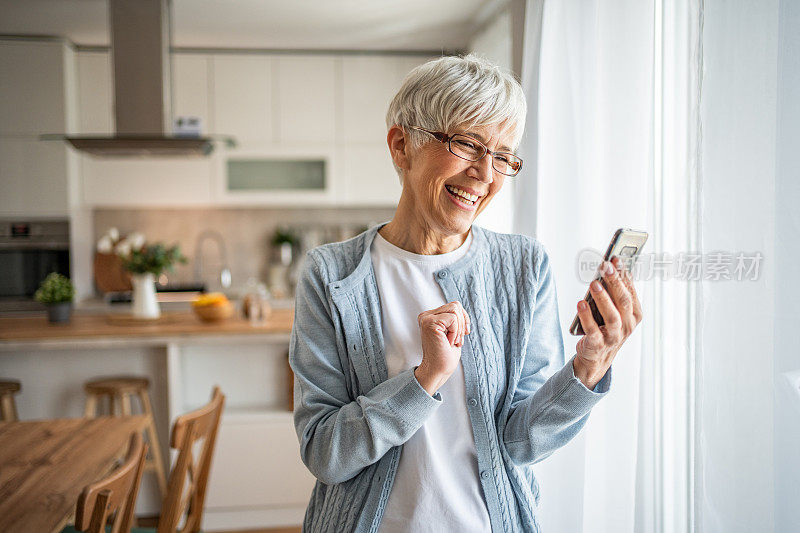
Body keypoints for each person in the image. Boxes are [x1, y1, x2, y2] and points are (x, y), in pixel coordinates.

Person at [289, 54, 642, 533]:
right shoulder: (331, 275)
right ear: (401, 146)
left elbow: (521, 445)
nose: (485, 173)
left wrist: (588, 368)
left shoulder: (524, 267)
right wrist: (424, 379)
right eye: (467, 144)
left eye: (502, 156)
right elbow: (325, 453)